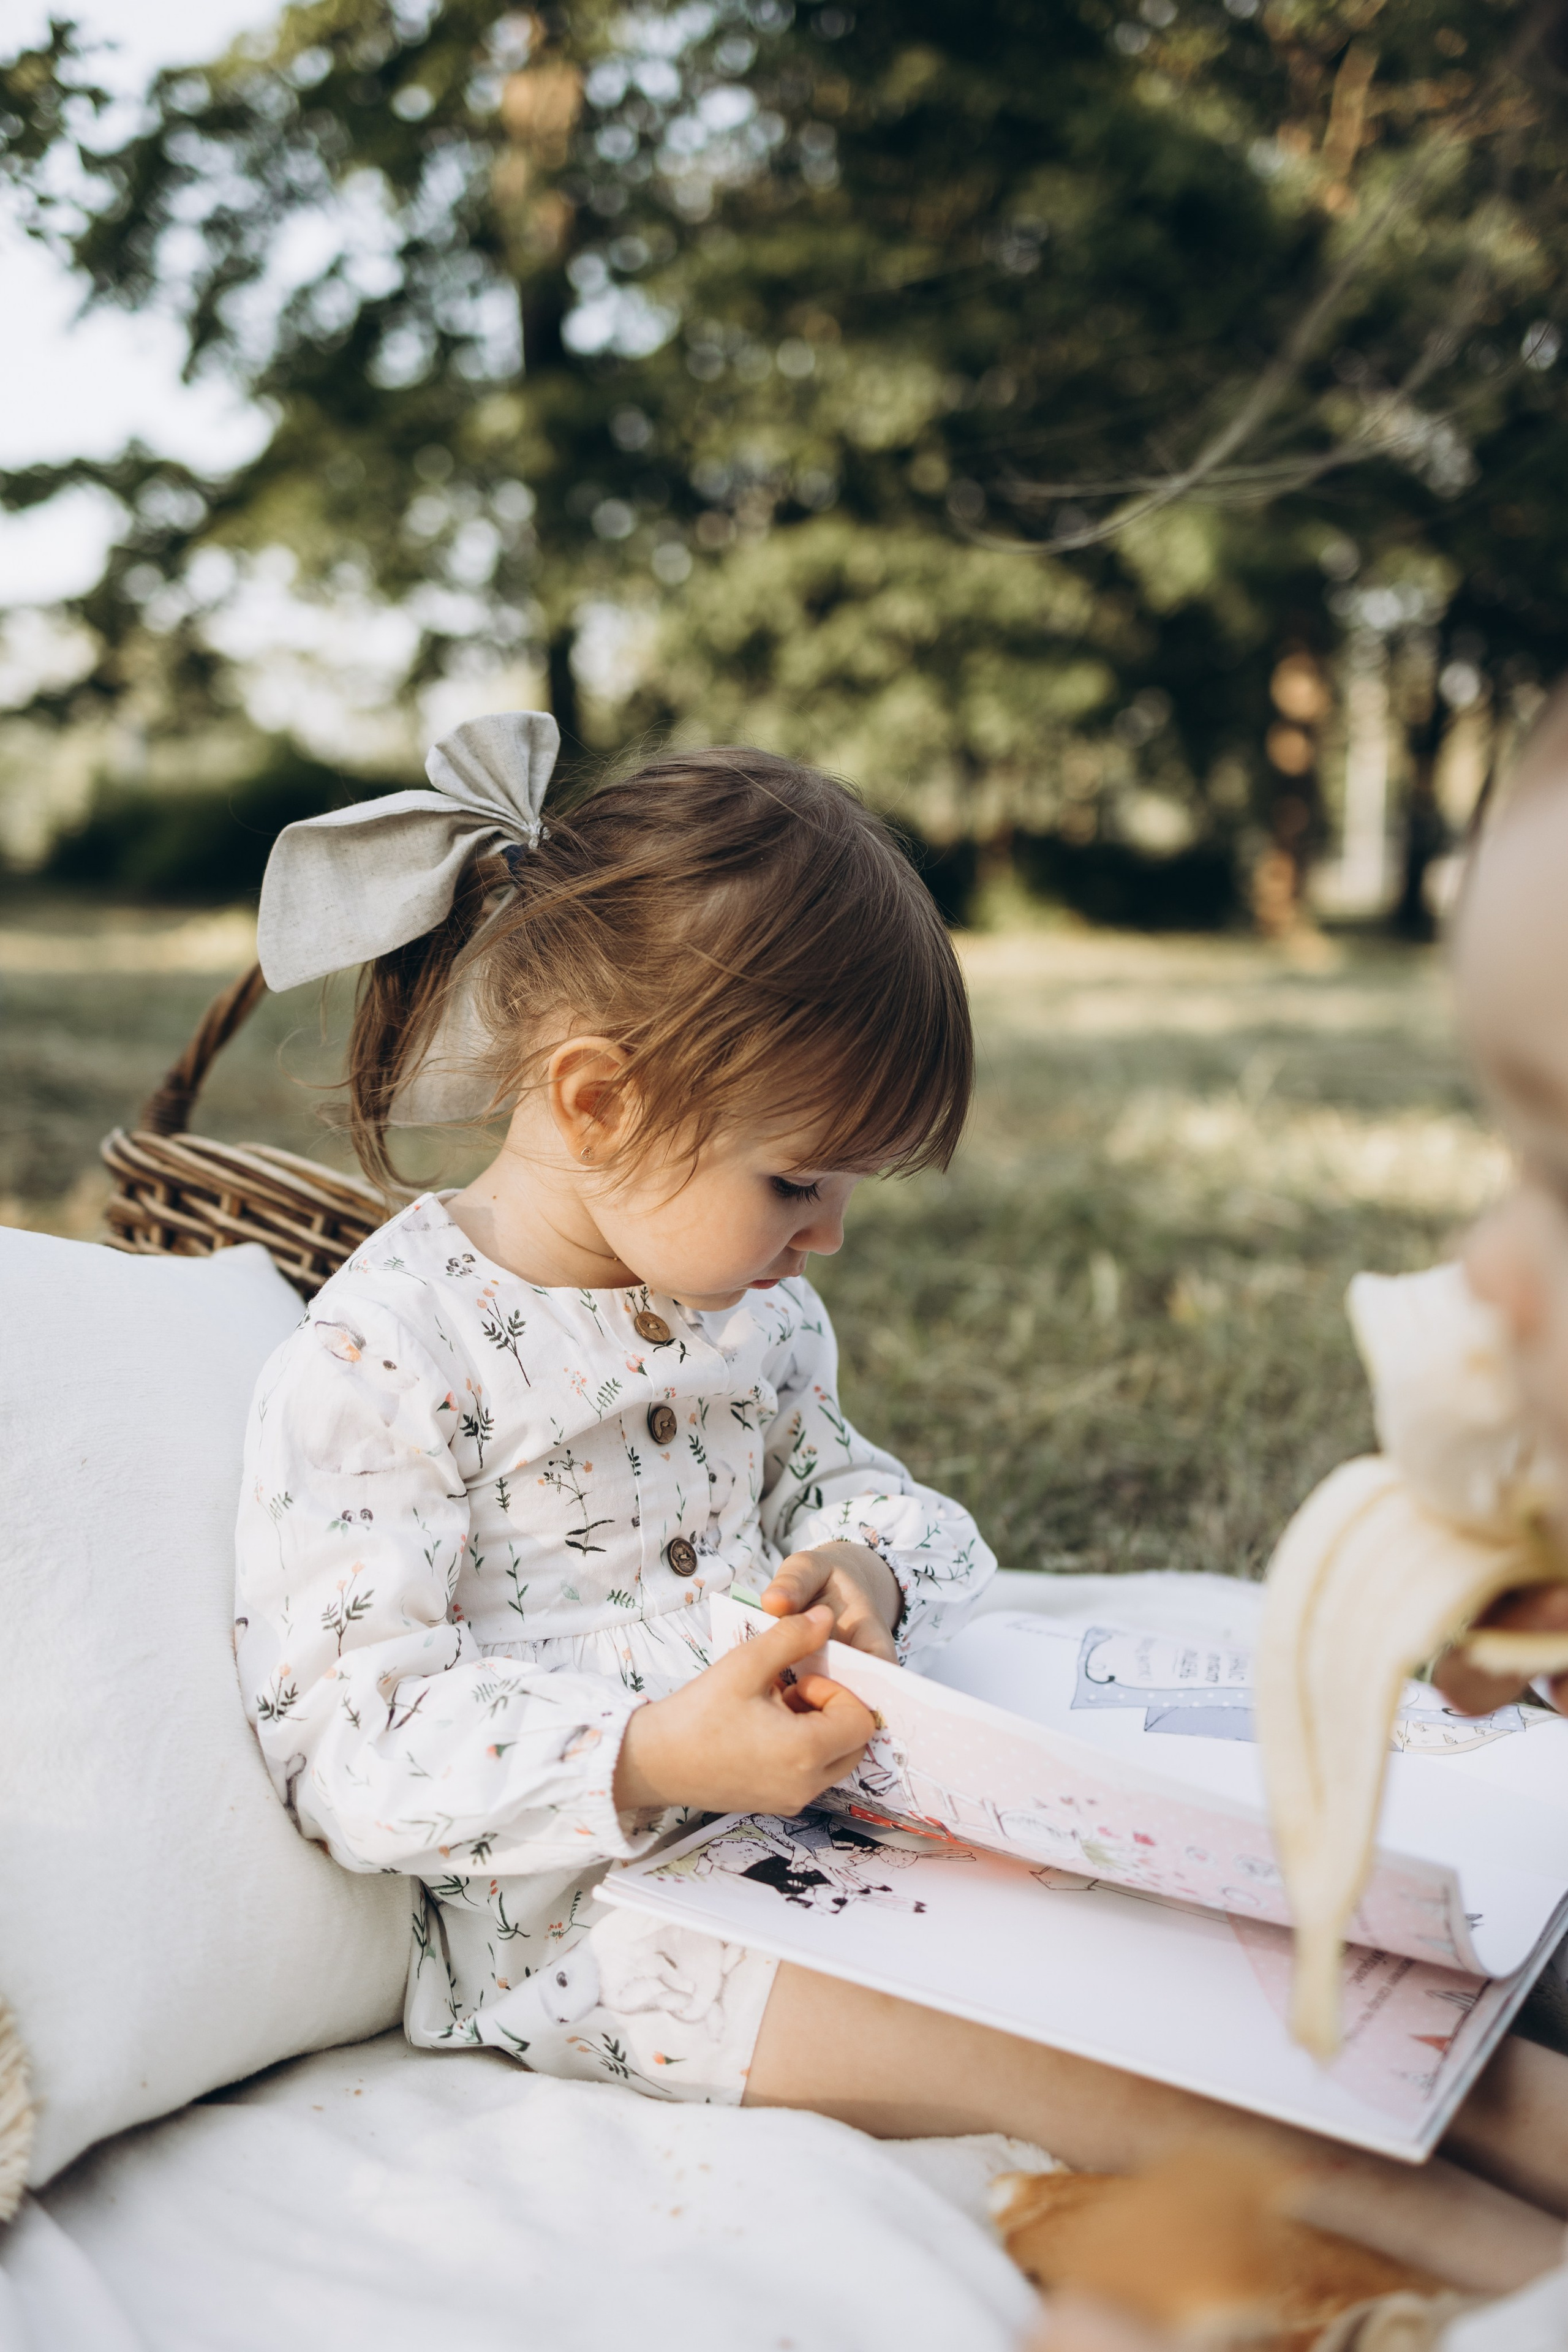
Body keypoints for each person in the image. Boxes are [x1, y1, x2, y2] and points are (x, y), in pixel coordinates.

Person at [235, 713, 1568, 2302]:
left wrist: (868, 1563)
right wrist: (660, 1753)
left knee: (1319, 1986)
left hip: (864, 1827)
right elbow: (346, 1741)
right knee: (1167, 2075)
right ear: (593, 1101)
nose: (831, 1239)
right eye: (799, 1182)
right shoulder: (394, 1355)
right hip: (616, 1928)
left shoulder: (752, 1313)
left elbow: (884, 1499)